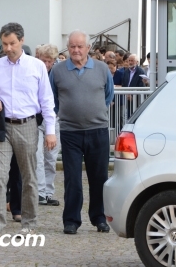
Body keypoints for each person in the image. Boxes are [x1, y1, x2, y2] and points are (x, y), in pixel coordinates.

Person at [0, 22, 57, 240]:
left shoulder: (36, 66)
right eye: (4, 43)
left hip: (28, 125)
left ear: (21, 41)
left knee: (29, 177)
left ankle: (29, 222)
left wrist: (50, 130)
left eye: (11, 43)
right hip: (2, 126)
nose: (7, 48)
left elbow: (46, 100)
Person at [50, 30, 114, 235]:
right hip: (70, 133)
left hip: (98, 131)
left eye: (80, 46)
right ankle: (71, 220)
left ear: (88, 48)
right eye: (72, 46)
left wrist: (94, 112)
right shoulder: (58, 71)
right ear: (67, 48)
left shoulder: (102, 69)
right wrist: (67, 114)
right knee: (72, 179)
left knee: (99, 178)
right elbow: (53, 99)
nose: (76, 50)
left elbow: (108, 96)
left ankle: (99, 218)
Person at [34, 44, 61, 207]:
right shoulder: (34, 71)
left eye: (49, 61)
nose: (46, 64)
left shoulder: (57, 74)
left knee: (51, 157)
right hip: (37, 118)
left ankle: (48, 191)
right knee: (37, 156)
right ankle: (39, 192)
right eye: (44, 60)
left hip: (53, 117)